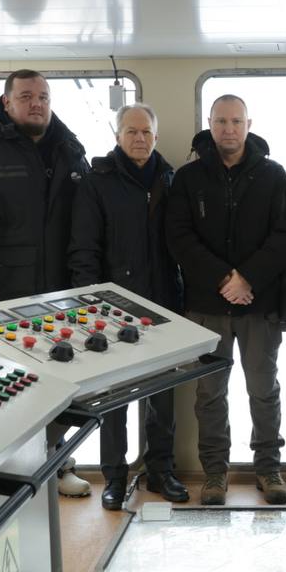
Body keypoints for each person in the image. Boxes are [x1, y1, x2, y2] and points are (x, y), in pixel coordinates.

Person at [0, 69, 92, 497]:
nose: (36, 103)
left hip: (62, 293)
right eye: (26, 96)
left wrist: (86, 283)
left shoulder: (71, 151)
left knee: (62, 381)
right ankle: (5, 471)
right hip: (0, 293)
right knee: (5, 385)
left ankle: (57, 465)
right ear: (6, 103)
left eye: (43, 96)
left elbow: (87, 221)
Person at [165, 94, 286, 506]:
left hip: (259, 303)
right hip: (206, 305)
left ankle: (268, 469)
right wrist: (225, 278)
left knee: (264, 389)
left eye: (236, 121)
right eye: (221, 121)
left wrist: (247, 278)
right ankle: (214, 474)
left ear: (248, 124)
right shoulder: (188, 178)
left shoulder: (274, 174)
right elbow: (179, 238)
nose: (229, 129)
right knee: (209, 394)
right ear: (210, 123)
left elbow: (285, 235)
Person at [69, 103, 188, 510]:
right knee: (114, 396)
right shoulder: (97, 183)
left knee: (163, 396)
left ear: (156, 136)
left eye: (146, 132)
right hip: (112, 307)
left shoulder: (170, 179)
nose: (140, 138)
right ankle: (115, 477)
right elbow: (84, 247)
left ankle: (161, 471)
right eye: (131, 131)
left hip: (163, 303)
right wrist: (91, 304)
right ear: (117, 135)